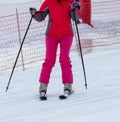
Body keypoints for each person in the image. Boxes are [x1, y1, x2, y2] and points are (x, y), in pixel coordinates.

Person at [30, 0, 80, 97]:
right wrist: (34, 13)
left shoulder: (70, 1)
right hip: (51, 35)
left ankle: (68, 86)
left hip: (67, 34)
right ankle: (43, 86)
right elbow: (40, 17)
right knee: (49, 60)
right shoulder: (48, 2)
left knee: (64, 59)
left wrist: (76, 7)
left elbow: (75, 18)